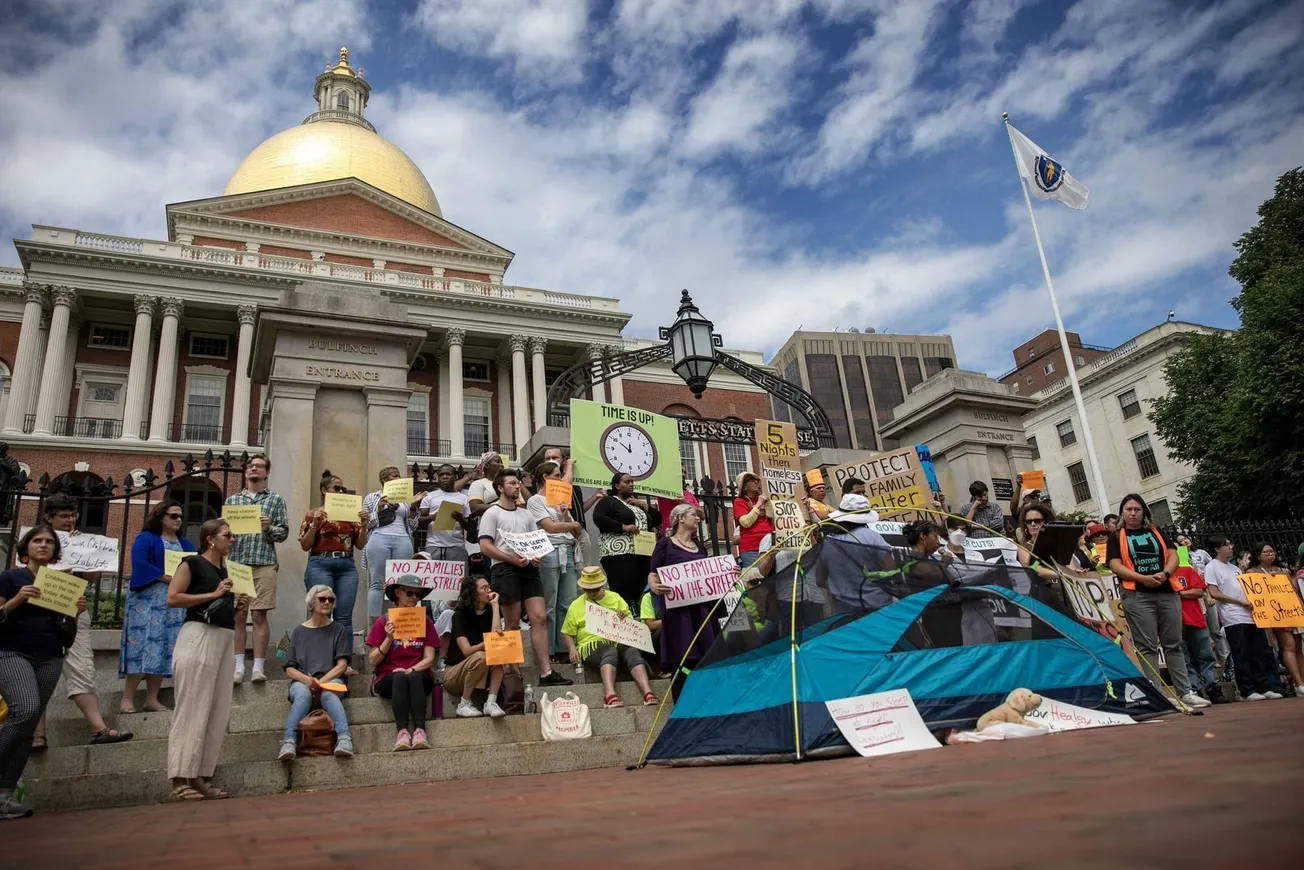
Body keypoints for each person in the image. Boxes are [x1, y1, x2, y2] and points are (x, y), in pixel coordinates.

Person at [30, 495, 130, 749]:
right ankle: (37, 735)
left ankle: (99, 728)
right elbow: (29, 572)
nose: (69, 520)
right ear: (49, 518)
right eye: (64, 516)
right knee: (37, 672)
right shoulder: (37, 540)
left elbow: (90, 578)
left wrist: (84, 553)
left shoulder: (81, 540)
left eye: (73, 515)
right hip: (38, 610)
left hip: (72, 609)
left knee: (82, 667)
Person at [0, 526, 85, 819]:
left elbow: (65, 627)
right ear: (26, 548)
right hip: (12, 652)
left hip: (50, 655)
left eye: (49, 542)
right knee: (25, 710)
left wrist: (76, 611)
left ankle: (4, 796)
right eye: (38, 540)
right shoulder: (10, 578)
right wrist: (17, 600)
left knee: (28, 727)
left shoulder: (61, 583)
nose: (44, 545)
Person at [166, 518, 247, 801]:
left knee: (216, 710)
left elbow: (219, 608)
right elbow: (173, 598)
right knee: (192, 707)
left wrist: (237, 606)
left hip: (223, 637)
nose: (232, 540)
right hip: (198, 636)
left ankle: (200, 776)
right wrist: (215, 593)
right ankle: (179, 780)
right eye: (227, 535)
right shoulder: (192, 563)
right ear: (211, 539)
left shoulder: (225, 570)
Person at [1106, 494, 1209, 709]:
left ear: (1144, 512)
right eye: (1128, 509)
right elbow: (1115, 565)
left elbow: (1173, 555)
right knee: (1147, 646)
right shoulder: (1116, 536)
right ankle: (1157, 694)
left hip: (1167, 591)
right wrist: (1141, 578)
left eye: (1137, 509)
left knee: (1174, 644)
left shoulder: (1157, 531)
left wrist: (1165, 573)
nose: (1133, 513)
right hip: (1137, 595)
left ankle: (1185, 692)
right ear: (1122, 513)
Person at [478, 470, 572, 687]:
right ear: (500, 488)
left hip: (528, 569)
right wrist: (511, 559)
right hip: (505, 568)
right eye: (512, 483)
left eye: (518, 482)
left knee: (539, 616)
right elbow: (485, 546)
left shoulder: (526, 514)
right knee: (511, 622)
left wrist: (536, 556)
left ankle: (546, 672)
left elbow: (534, 540)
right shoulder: (492, 513)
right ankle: (514, 674)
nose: (517, 486)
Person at [119, 500, 194, 714]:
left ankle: (152, 699)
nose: (178, 520)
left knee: (164, 646)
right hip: (146, 601)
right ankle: (127, 698)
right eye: (173, 516)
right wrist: (166, 577)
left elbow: (194, 565)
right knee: (140, 644)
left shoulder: (185, 543)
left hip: (173, 604)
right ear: (160, 517)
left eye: (181, 516)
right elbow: (139, 563)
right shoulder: (147, 538)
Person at [226, 454, 289, 685]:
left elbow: (283, 533)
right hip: (237, 562)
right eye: (251, 466)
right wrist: (228, 535)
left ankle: (258, 667)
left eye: (259, 466)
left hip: (264, 561)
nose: (254, 468)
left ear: (267, 472)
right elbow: (224, 534)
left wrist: (268, 528)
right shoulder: (233, 501)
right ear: (245, 471)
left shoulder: (275, 500)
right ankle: (238, 666)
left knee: (259, 614)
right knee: (238, 615)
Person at [561, 566, 659, 708]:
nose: (592, 592)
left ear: (601, 586)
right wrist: (572, 649)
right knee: (609, 652)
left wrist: (623, 617)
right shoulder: (576, 605)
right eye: (588, 590)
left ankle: (648, 691)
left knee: (632, 651)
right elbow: (567, 632)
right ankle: (609, 694)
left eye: (595, 589)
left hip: (618, 639)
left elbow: (631, 625)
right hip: (591, 643)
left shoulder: (615, 598)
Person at [278, 584, 354, 760]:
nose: (327, 602)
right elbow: (290, 668)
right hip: (303, 680)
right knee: (302, 695)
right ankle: (289, 741)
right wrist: (308, 681)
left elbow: (342, 665)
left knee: (329, 694)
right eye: (322, 599)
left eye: (331, 599)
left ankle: (344, 738)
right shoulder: (299, 631)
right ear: (311, 603)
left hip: (331, 678)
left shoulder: (338, 629)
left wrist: (321, 682)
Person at [646, 504, 721, 678]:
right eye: (694, 515)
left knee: (706, 651)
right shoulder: (664, 545)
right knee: (684, 651)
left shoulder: (700, 547)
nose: (698, 518)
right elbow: (652, 574)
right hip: (679, 611)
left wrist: (728, 572)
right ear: (681, 518)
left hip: (702, 608)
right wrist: (655, 586)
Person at [366, 574, 439, 750]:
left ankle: (420, 730)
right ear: (398, 593)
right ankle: (402, 732)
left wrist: (411, 669)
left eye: (418, 595)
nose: (414, 598)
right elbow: (373, 660)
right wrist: (388, 638)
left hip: (418, 674)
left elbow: (429, 658)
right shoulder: (383, 621)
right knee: (399, 677)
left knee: (412, 676)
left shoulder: (426, 621)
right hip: (388, 676)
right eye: (410, 593)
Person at [1204, 536, 1282, 700]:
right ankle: (1247, 689)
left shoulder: (1235, 568)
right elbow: (1214, 592)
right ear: (1217, 548)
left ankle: (1263, 686)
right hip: (1233, 616)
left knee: (1258, 651)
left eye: (1230, 544)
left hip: (1250, 615)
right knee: (1242, 653)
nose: (1230, 547)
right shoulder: (1212, 567)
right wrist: (1238, 601)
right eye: (1226, 545)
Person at [300, 471, 369, 645]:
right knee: (321, 613)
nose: (341, 491)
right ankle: (320, 657)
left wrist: (364, 525)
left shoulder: (351, 514)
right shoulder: (313, 514)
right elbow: (305, 545)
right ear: (324, 490)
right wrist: (314, 525)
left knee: (344, 617)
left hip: (346, 564)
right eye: (337, 488)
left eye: (343, 489)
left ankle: (343, 657)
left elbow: (360, 545)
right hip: (320, 563)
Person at [527, 461, 582, 665]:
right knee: (549, 603)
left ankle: (564, 647)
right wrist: (571, 524)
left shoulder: (561, 500)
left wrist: (566, 516)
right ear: (546, 477)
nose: (560, 479)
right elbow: (549, 526)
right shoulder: (535, 501)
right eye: (557, 475)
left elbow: (577, 531)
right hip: (549, 551)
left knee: (567, 602)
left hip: (568, 550)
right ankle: (548, 649)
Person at [362, 466, 422, 625]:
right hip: (379, 539)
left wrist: (413, 506)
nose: (399, 478)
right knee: (377, 582)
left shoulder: (406, 498)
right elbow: (365, 523)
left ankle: (401, 622)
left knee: (402, 582)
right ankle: (376, 624)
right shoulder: (372, 497)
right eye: (395, 476)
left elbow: (413, 525)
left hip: (402, 539)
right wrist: (379, 508)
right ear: (384, 479)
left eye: (399, 476)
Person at [1244, 542, 1304, 696]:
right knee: (1289, 645)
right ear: (1258, 556)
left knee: (1299, 647)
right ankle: (1298, 683)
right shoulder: (1252, 572)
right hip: (1275, 615)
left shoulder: (1282, 571)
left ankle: (1303, 681)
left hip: (1291, 611)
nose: (1271, 554)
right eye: (1266, 552)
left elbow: (1293, 592)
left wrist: (1300, 608)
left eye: (1272, 551)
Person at [443, 574, 506, 718]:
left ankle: (491, 702)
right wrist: (486, 644)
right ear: (472, 592)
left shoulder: (490, 611)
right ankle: (464, 704)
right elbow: (466, 651)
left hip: (481, 669)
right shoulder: (459, 615)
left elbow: (496, 635)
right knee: (481, 656)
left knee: (498, 654)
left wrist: (495, 605)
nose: (489, 591)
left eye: (489, 587)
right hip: (455, 673)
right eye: (484, 588)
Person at [593, 473, 650, 613]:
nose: (631, 484)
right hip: (618, 554)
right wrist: (623, 527)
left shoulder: (635, 503)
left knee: (640, 589)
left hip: (641, 552)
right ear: (617, 486)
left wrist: (643, 505)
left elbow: (656, 519)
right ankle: (622, 620)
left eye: (632, 482)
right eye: (627, 482)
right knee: (623, 591)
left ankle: (637, 616)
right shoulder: (609, 501)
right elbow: (599, 518)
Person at [1172, 562, 1219, 701]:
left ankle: (1213, 687)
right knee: (1184, 658)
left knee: (1205, 655)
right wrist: (1185, 593)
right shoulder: (1158, 576)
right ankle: (1193, 688)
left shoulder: (1186, 570)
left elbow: (1199, 591)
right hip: (1174, 621)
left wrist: (1178, 593)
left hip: (1195, 618)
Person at [419, 464, 471, 567]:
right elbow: (419, 522)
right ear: (438, 478)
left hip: (456, 546)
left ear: (455, 477)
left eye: (448, 474)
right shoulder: (430, 497)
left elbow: (469, 526)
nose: (445, 477)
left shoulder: (464, 499)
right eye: (441, 475)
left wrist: (460, 519)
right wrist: (431, 518)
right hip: (433, 545)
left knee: (459, 577)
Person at [732, 471, 773, 571]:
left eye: (756, 480)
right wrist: (759, 504)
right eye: (751, 480)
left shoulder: (766, 500)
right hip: (752, 548)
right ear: (744, 487)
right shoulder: (739, 502)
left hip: (771, 545)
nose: (756, 482)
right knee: (756, 577)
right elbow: (746, 522)